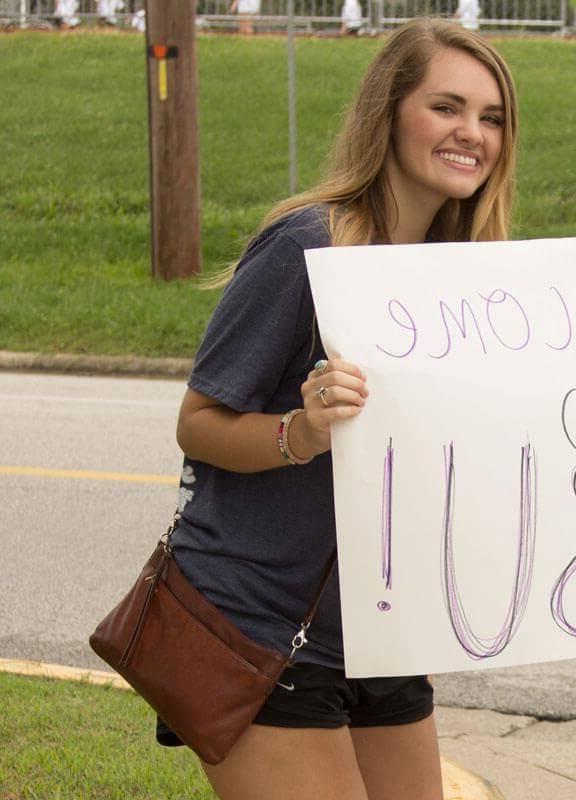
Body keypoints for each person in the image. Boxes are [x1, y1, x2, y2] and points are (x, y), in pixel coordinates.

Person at [163, 18, 518, 799]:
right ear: (389, 112)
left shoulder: (465, 283)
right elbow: (198, 423)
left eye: (491, 118)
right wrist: (304, 430)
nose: (472, 133)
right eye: (447, 108)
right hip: (256, 627)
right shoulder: (307, 246)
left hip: (381, 630)